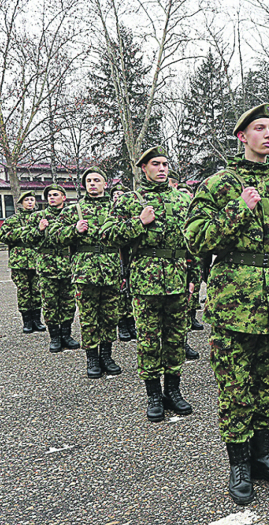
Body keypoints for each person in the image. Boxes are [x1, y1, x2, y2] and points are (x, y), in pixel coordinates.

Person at [185, 104, 269, 504]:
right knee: (236, 390)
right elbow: (195, 240)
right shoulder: (219, 184)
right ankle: (238, 465)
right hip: (234, 308)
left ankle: (262, 457)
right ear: (242, 136)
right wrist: (238, 209)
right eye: (260, 128)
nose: (268, 134)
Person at [103, 146, 193, 424]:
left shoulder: (183, 199)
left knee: (176, 339)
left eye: (165, 164)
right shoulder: (129, 200)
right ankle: (154, 395)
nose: (162, 168)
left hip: (178, 280)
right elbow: (107, 235)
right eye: (156, 164)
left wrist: (194, 279)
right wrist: (138, 223)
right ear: (144, 168)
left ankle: (173, 391)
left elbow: (192, 244)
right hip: (145, 283)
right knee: (149, 341)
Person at [48, 167, 123, 379]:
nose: (92, 184)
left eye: (97, 180)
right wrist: (74, 230)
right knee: (89, 317)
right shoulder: (74, 210)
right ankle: (92, 358)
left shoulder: (116, 209)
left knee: (110, 317)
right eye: (89, 180)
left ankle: (106, 356)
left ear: (105, 184)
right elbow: (53, 235)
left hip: (110, 270)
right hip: (84, 273)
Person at [27, 184, 81, 352]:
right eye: (49, 195)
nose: (51, 197)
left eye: (55, 194)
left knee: (68, 303)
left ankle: (66, 334)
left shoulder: (72, 214)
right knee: (50, 303)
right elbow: (26, 238)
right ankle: (55, 337)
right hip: (47, 267)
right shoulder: (38, 216)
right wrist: (39, 230)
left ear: (63, 197)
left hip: (68, 265)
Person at [0, 191, 45, 334]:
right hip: (19, 261)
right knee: (24, 291)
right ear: (21, 203)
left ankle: (37, 320)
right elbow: (2, 236)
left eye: (32, 199)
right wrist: (22, 231)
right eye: (27, 200)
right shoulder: (13, 220)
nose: (30, 202)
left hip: (37, 259)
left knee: (37, 290)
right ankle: (27, 321)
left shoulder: (40, 218)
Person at [177, 185, 202, 361]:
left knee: (180, 315)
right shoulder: (138, 201)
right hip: (148, 274)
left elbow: (192, 245)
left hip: (179, 271)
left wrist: (193, 277)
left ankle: (182, 343)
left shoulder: (186, 208)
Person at [110, 184, 137, 342]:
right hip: (115, 258)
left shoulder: (129, 210)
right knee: (120, 294)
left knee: (129, 293)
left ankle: (131, 323)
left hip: (129, 256)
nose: (117, 196)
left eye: (120, 193)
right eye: (115, 194)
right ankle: (122, 324)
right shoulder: (110, 212)